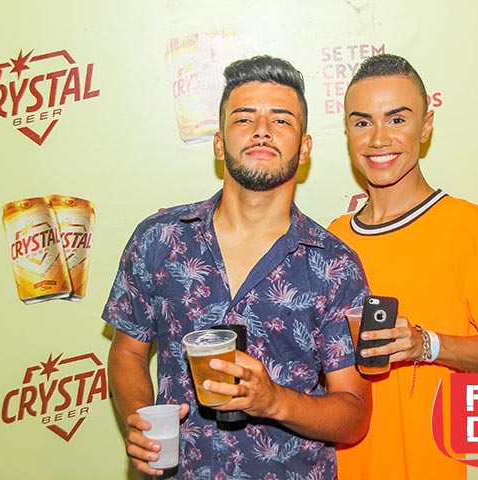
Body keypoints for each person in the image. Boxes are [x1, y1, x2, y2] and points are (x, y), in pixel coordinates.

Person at [102, 55, 372, 479]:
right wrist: (142, 421)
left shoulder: (334, 265)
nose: (261, 130)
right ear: (218, 142)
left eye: (280, 120)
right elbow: (127, 352)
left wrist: (274, 401)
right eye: (244, 119)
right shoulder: (159, 239)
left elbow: (353, 414)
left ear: (304, 148)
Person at [327, 53, 478, 479]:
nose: (379, 139)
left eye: (397, 119)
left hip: (427, 466)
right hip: (343, 466)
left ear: (426, 125)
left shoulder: (466, 225)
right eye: (362, 122)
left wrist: (425, 345)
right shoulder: (332, 238)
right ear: (347, 133)